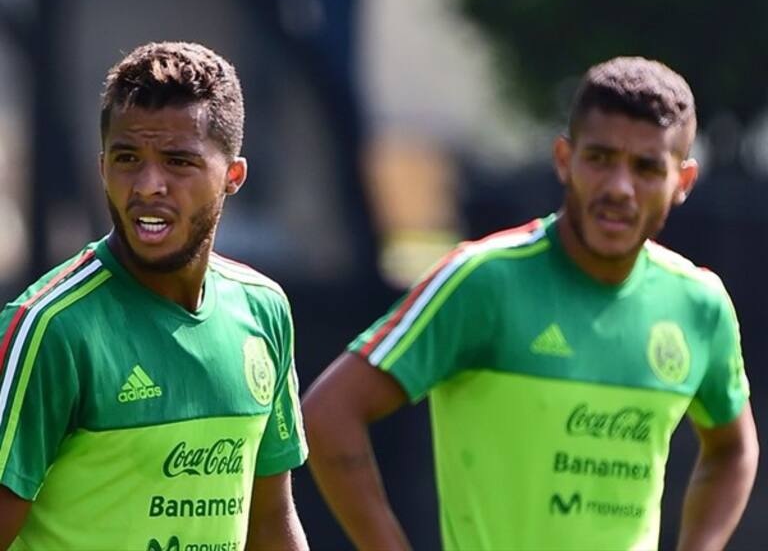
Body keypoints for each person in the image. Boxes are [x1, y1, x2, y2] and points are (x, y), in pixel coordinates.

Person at [303, 56, 759, 550]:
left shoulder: (698, 303)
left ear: (683, 182)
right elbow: (329, 414)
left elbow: (732, 450)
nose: (619, 188)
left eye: (647, 167)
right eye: (600, 158)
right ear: (565, 160)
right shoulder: (483, 280)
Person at [0, 42, 308, 551]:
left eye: (177, 162)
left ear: (232, 176)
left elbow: (272, 521)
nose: (148, 185)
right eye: (127, 159)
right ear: (102, 169)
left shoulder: (262, 310)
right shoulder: (50, 327)